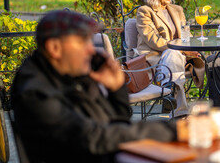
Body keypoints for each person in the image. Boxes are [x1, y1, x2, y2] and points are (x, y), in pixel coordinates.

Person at [11, 10, 179, 163]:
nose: (92, 50)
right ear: (54, 48)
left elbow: (115, 124)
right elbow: (96, 137)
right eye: (83, 42)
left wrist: (116, 88)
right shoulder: (36, 94)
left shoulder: (64, 75)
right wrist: (174, 130)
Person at [136, 0, 203, 118]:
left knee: (210, 60)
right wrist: (182, 50)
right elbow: (154, 41)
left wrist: (190, 49)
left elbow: (186, 35)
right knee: (172, 54)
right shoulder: (144, 11)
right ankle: (181, 111)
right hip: (155, 58)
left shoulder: (177, 10)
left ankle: (169, 91)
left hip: (179, 57)